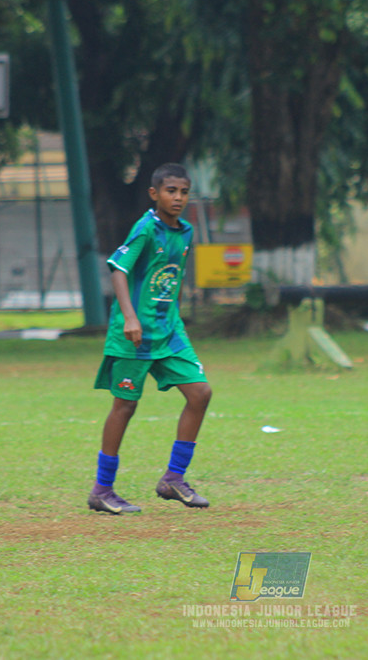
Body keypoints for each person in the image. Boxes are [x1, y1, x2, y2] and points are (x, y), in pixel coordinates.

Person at [87, 163, 213, 514]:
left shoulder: (185, 231)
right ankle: (102, 489)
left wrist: (176, 313)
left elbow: (171, 279)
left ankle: (174, 478)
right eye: (171, 191)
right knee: (124, 405)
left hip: (169, 332)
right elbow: (119, 269)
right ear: (154, 194)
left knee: (200, 392)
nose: (178, 198)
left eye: (184, 192)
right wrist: (129, 316)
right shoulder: (146, 228)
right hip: (135, 334)